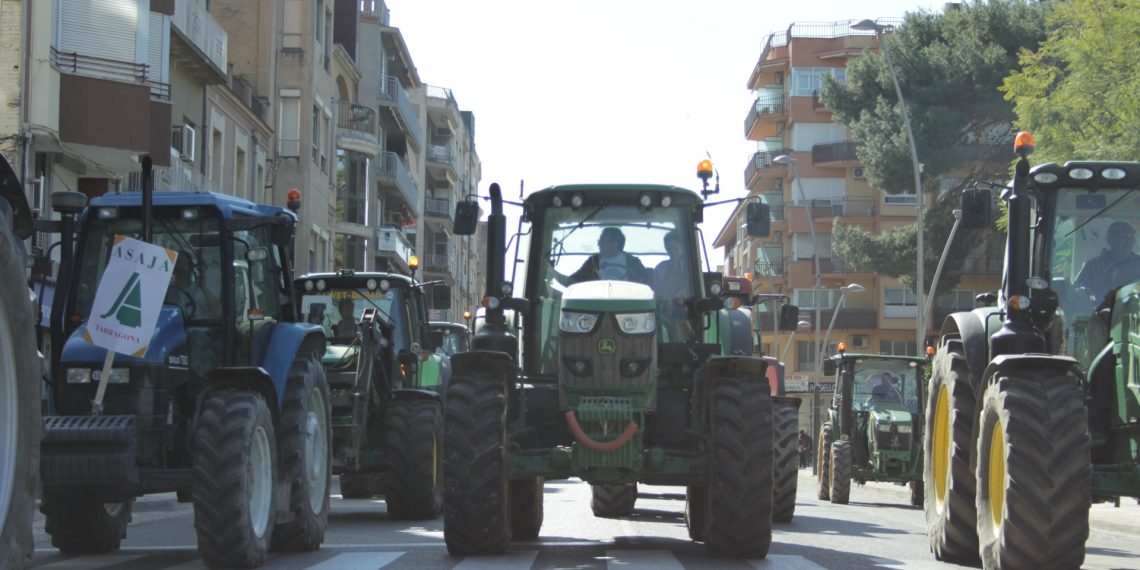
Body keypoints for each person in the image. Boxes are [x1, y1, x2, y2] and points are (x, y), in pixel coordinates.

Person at [553, 227, 649, 286]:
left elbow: (647, 284)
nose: (598, 244)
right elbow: (572, 282)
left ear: (615, 243)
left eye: (602, 240)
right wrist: (552, 273)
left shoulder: (633, 262)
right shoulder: (593, 262)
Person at [1075, 221, 1140, 301]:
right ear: (1110, 241)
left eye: (1131, 239)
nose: (1128, 242)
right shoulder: (1092, 265)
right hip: (1102, 307)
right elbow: (1076, 291)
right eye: (1123, 238)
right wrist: (1087, 293)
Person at [166, 252, 214, 318]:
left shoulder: (200, 289)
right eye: (178, 262)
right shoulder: (167, 291)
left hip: (200, 323)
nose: (180, 266)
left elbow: (217, 312)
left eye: (183, 262)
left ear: (190, 267)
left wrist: (204, 288)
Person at [652, 229, 692, 303]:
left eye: (676, 248)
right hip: (664, 306)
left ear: (683, 247)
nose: (672, 252)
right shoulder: (660, 268)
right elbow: (657, 292)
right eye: (669, 249)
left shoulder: (691, 268)